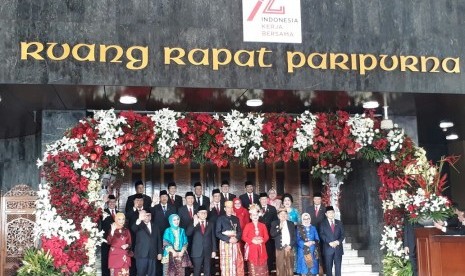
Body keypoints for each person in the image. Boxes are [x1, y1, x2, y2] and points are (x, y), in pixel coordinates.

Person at [186, 205, 218, 276]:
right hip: (197, 251)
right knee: (197, 270)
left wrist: (214, 251)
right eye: (202, 212)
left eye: (205, 212)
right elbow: (188, 233)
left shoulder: (211, 224)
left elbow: (213, 238)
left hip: (208, 251)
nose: (204, 214)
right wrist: (194, 224)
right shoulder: (193, 223)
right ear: (197, 214)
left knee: (207, 270)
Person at [216, 200, 245, 276]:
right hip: (225, 243)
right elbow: (217, 233)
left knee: (234, 262)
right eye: (228, 208)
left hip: (235, 243)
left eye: (231, 208)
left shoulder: (236, 218)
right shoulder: (220, 219)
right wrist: (229, 239)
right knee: (226, 263)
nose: (230, 209)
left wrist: (236, 238)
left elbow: (239, 231)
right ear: (225, 209)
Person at [131, 210, 162, 276]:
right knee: (140, 273)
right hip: (141, 254)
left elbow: (159, 240)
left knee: (152, 273)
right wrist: (139, 219)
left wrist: (159, 252)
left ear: (150, 217)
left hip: (153, 254)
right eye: (145, 215)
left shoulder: (155, 226)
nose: (147, 217)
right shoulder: (139, 225)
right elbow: (133, 229)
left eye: (148, 215)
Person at [242, 204, 269, 276]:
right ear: (250, 216)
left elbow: (266, 236)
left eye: (256, 214)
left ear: (258, 215)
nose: (255, 216)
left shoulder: (263, 225)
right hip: (252, 249)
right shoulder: (248, 226)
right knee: (253, 267)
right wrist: (252, 241)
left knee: (262, 267)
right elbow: (244, 237)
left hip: (261, 248)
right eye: (253, 215)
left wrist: (262, 240)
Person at [319, 206, 344, 276]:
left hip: (338, 249)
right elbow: (321, 234)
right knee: (328, 269)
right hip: (328, 248)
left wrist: (337, 242)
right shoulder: (322, 224)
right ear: (326, 214)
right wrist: (329, 242)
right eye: (329, 213)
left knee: (338, 269)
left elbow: (342, 235)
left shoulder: (339, 223)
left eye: (332, 212)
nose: (331, 214)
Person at [270, 208, 295, 276]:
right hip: (279, 248)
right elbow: (272, 234)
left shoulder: (291, 223)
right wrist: (279, 228)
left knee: (289, 266)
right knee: (280, 266)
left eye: (285, 214)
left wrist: (290, 245)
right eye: (281, 214)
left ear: (287, 215)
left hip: (289, 247)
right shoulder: (274, 223)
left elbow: (294, 236)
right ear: (278, 216)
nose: (283, 215)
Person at [258, 192, 277, 272]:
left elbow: (275, 221)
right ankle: (260, 269)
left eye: (265, 199)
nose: (264, 200)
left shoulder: (272, 208)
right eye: (262, 199)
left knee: (269, 252)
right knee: (260, 251)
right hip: (259, 234)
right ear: (260, 200)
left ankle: (269, 269)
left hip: (269, 234)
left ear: (267, 199)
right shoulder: (256, 208)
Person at [101, 195, 119, 276]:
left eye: (113, 202)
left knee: (116, 261)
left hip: (117, 242)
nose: (112, 203)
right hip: (105, 241)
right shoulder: (103, 212)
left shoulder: (119, 213)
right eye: (110, 202)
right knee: (105, 261)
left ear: (116, 203)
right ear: (107, 203)